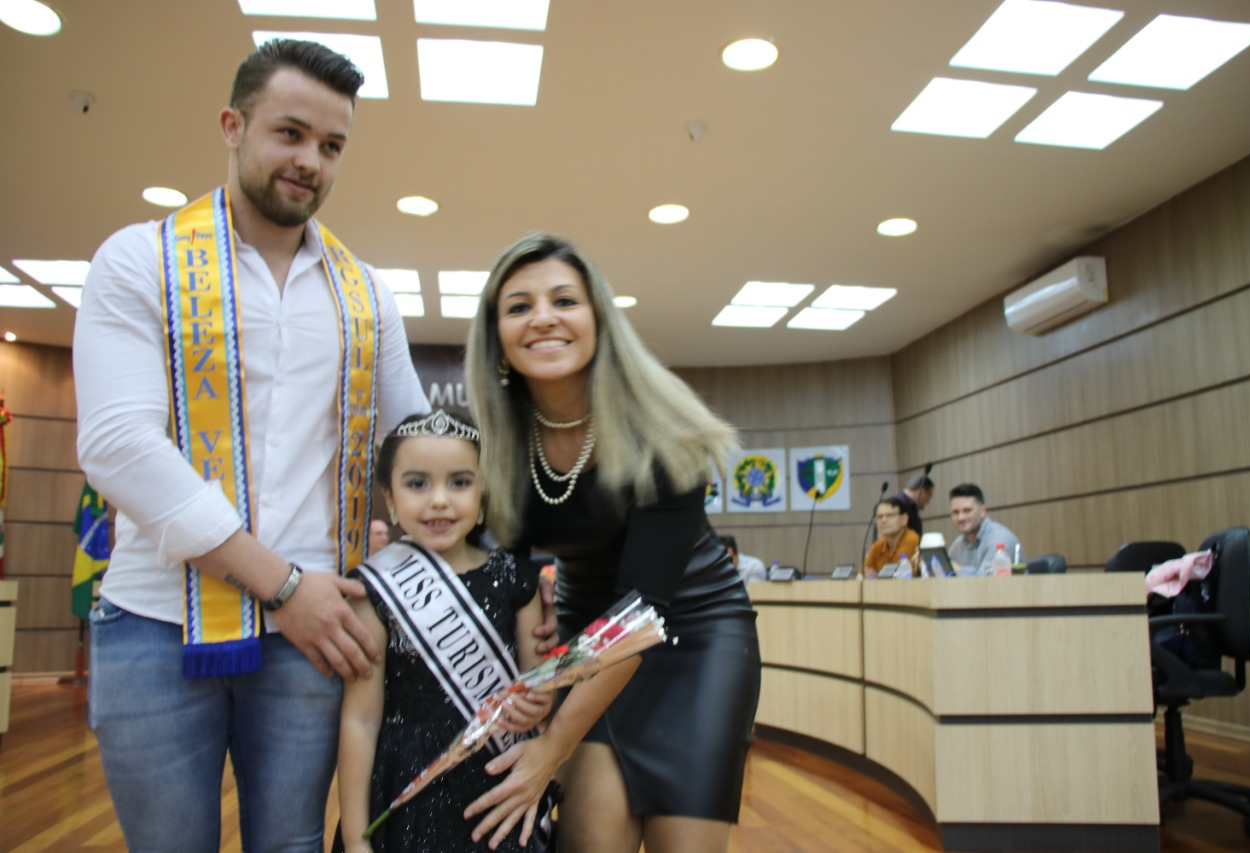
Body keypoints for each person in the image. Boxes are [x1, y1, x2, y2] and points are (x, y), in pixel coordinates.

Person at [73, 39, 434, 851]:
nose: (311, 160)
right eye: (290, 133)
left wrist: (456, 551)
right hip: (156, 619)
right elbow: (119, 445)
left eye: (332, 145)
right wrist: (283, 585)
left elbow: (414, 449)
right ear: (233, 126)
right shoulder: (140, 259)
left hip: (311, 636)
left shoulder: (366, 294)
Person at [464, 233, 762, 853]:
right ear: (496, 338)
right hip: (585, 635)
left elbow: (641, 614)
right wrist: (535, 653)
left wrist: (551, 747)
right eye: (518, 306)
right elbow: (508, 574)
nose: (542, 317)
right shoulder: (498, 440)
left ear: (599, 320)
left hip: (695, 638)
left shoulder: (662, 429)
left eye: (564, 300)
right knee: (590, 838)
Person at [336, 411, 556, 852]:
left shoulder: (517, 580)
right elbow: (360, 719)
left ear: (483, 492)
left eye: (459, 482)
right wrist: (356, 838)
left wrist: (539, 704)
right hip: (406, 789)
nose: (439, 500)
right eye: (417, 484)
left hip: (495, 784)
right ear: (389, 496)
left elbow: (540, 691)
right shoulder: (373, 590)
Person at [946, 483, 1021, 575]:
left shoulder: (1000, 540)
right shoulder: (957, 545)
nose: (960, 518)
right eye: (955, 512)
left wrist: (952, 568)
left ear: (982, 511)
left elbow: (986, 581)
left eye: (967, 511)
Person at [861, 496, 921, 578]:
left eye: (890, 515)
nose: (884, 520)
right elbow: (862, 574)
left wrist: (874, 577)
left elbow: (898, 574)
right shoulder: (878, 545)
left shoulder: (911, 539)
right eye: (879, 517)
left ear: (904, 519)